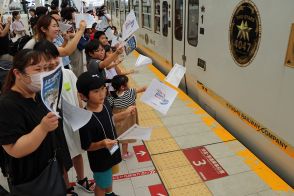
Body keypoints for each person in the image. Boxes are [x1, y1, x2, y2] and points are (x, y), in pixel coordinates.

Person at [0, 49, 65, 194]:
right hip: (31, 180)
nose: (44, 73)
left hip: (51, 167)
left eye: (46, 69)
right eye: (38, 69)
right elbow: (14, 149)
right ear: (18, 74)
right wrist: (42, 128)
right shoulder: (7, 105)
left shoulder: (38, 94)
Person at [34, 40, 95, 195]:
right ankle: (66, 187)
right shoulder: (39, 83)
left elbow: (78, 96)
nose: (53, 61)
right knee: (61, 157)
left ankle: (81, 179)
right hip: (55, 126)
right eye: (48, 59)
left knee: (77, 151)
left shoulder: (67, 73)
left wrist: (82, 114)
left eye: (55, 56)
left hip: (73, 122)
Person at [77, 71, 136, 196]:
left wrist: (125, 113)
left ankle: (110, 194)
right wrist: (102, 143)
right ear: (83, 96)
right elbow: (87, 146)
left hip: (112, 151)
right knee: (101, 184)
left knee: (109, 177)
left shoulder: (105, 104)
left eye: (103, 89)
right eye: (96, 91)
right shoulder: (84, 118)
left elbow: (111, 118)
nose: (102, 94)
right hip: (100, 159)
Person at [108, 75, 146, 159]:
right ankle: (124, 153)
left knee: (117, 134)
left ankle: (114, 150)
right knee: (126, 136)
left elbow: (109, 107)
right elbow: (144, 88)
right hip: (129, 119)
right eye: (127, 83)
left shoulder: (112, 96)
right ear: (122, 87)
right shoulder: (131, 92)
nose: (128, 84)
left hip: (118, 119)